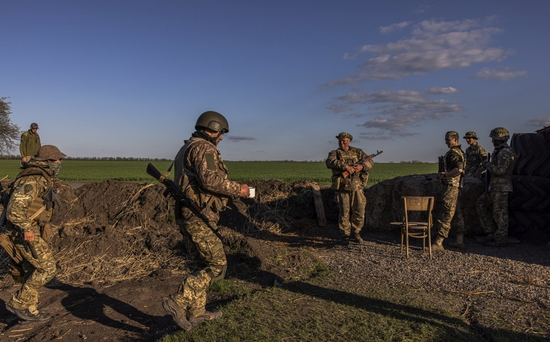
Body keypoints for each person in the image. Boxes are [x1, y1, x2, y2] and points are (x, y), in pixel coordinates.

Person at [162, 111, 250, 331]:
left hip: (187, 214)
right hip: (199, 215)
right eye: (220, 133)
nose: (221, 138)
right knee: (217, 265)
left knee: (201, 264)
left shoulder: (187, 147)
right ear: (213, 128)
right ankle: (178, 301)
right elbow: (210, 180)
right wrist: (238, 189)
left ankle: (197, 313)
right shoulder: (205, 148)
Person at [1, 145, 65, 323]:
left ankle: (29, 311)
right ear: (48, 162)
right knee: (47, 268)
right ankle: (18, 303)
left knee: (32, 269)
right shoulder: (34, 179)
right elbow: (14, 210)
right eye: (58, 160)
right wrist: (27, 228)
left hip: (26, 229)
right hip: (24, 231)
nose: (60, 163)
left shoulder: (39, 177)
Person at [326, 132, 374, 244]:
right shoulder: (335, 153)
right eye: (340, 140)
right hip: (342, 186)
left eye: (344, 140)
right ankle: (345, 235)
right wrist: (346, 166)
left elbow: (370, 163)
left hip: (357, 186)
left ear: (349, 141)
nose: (342, 142)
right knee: (344, 212)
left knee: (359, 210)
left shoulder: (358, 152)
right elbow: (330, 162)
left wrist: (361, 167)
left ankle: (356, 232)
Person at [475, 127, 516, 247]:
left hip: (501, 187)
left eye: (494, 139)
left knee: (500, 213)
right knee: (480, 204)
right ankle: (490, 232)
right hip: (493, 186)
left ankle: (500, 239)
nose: (492, 141)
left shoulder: (505, 152)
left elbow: (500, 170)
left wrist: (487, 164)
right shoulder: (499, 151)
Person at [432, 131, 465, 251]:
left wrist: (445, 175)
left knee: (447, 212)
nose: (446, 142)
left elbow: (459, 169)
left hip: (451, 186)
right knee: (457, 213)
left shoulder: (453, 153)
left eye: (448, 140)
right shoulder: (460, 152)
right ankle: (459, 240)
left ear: (455, 139)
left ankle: (439, 242)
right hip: (458, 186)